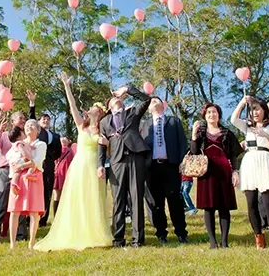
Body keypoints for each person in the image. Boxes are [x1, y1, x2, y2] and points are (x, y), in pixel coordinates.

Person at [34, 72, 113, 251]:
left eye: (95, 107)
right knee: (78, 198)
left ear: (99, 113)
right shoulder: (81, 126)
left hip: (95, 167)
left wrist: (107, 144)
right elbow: (72, 106)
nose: (91, 109)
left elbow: (109, 151)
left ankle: (94, 232)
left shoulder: (103, 130)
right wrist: (67, 86)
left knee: (94, 199)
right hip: (79, 166)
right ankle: (76, 230)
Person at [98, 83, 152, 248]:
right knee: (118, 201)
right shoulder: (104, 122)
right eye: (113, 100)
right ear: (108, 107)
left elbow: (146, 99)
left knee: (136, 199)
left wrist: (127, 89)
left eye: (118, 98)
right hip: (116, 162)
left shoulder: (132, 113)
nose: (116, 100)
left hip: (135, 158)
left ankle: (138, 239)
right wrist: (100, 164)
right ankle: (118, 239)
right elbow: (101, 145)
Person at [231, 96, 269, 250]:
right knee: (251, 203)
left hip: (265, 160)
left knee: (268, 203)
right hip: (250, 161)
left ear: (264, 111)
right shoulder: (247, 127)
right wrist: (242, 102)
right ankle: (259, 239)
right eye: (252, 110)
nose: (255, 112)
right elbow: (233, 119)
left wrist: (265, 134)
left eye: (258, 109)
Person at [190, 103, 240, 249]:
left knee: (224, 207)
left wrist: (235, 171)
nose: (212, 115)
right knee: (209, 207)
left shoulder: (227, 133)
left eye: (215, 112)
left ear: (219, 114)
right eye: (209, 112)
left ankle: (224, 241)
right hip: (206, 172)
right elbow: (194, 153)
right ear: (205, 116)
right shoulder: (200, 133)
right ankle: (213, 241)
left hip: (224, 171)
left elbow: (233, 155)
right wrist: (194, 135)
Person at [140, 94, 189, 244]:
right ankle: (161, 233)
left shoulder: (173, 122)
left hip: (171, 166)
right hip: (151, 167)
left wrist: (182, 162)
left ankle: (181, 232)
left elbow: (182, 143)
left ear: (163, 105)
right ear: (148, 109)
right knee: (156, 203)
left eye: (157, 100)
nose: (154, 102)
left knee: (175, 200)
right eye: (151, 101)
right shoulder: (144, 125)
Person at [0, 107, 29, 244]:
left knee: (21, 202)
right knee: (1, 204)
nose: (23, 120)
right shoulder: (4, 135)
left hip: (21, 171)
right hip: (5, 171)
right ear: (12, 122)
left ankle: (21, 235)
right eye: (20, 118)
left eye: (24, 118)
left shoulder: (26, 136)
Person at [7, 119, 46, 249]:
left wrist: (22, 164)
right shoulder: (19, 144)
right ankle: (12, 243)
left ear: (38, 131)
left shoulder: (41, 144)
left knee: (34, 211)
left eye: (32, 125)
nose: (29, 127)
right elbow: (10, 157)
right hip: (18, 179)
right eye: (27, 125)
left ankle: (31, 242)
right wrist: (18, 164)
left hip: (34, 177)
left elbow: (37, 161)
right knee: (14, 210)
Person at [28, 96, 62, 227]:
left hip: (48, 166)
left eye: (48, 119)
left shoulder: (55, 136)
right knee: (34, 191)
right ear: (39, 122)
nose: (46, 121)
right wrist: (32, 103)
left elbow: (58, 152)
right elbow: (30, 118)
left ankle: (43, 219)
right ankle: (29, 217)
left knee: (47, 191)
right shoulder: (37, 132)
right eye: (43, 119)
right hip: (35, 164)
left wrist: (50, 159)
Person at [51, 137, 75, 218]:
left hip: (66, 174)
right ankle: (56, 216)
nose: (63, 139)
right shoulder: (57, 150)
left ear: (69, 141)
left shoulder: (71, 151)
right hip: (58, 174)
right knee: (57, 196)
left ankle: (63, 216)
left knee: (64, 196)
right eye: (62, 138)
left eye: (65, 138)